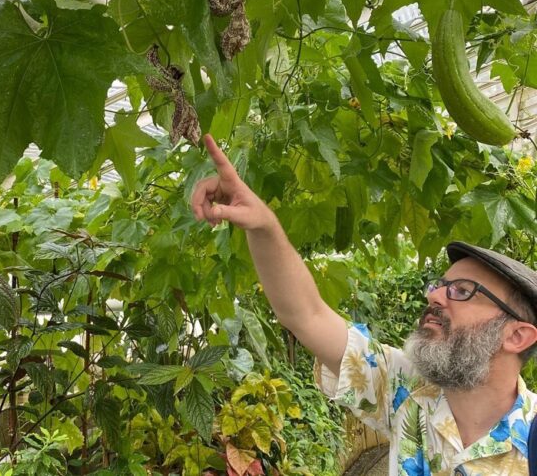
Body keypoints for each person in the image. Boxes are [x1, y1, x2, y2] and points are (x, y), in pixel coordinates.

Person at [190, 134, 537, 475]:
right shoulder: (406, 388)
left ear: (517, 336)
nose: (434, 296)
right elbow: (306, 314)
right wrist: (264, 225)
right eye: (440, 285)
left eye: (462, 291)